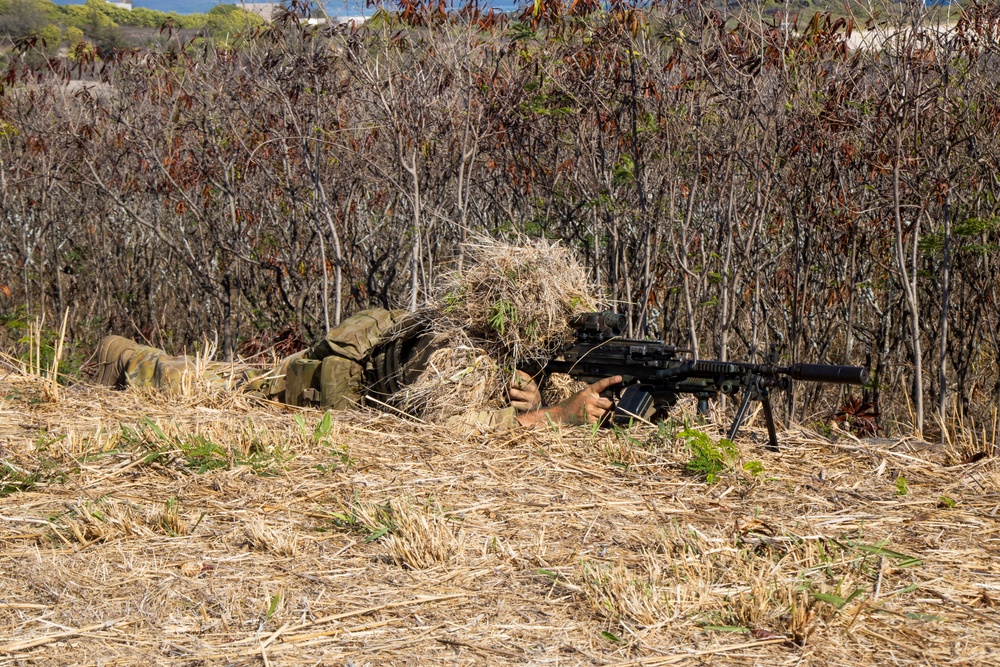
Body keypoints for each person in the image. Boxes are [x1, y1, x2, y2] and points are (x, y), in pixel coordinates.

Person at [95, 307, 621, 430]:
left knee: (229, 373)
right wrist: (556, 416)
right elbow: (451, 426)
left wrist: (525, 398)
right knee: (191, 380)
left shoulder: (478, 351)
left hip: (355, 373)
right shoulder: (453, 356)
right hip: (326, 387)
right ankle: (112, 351)